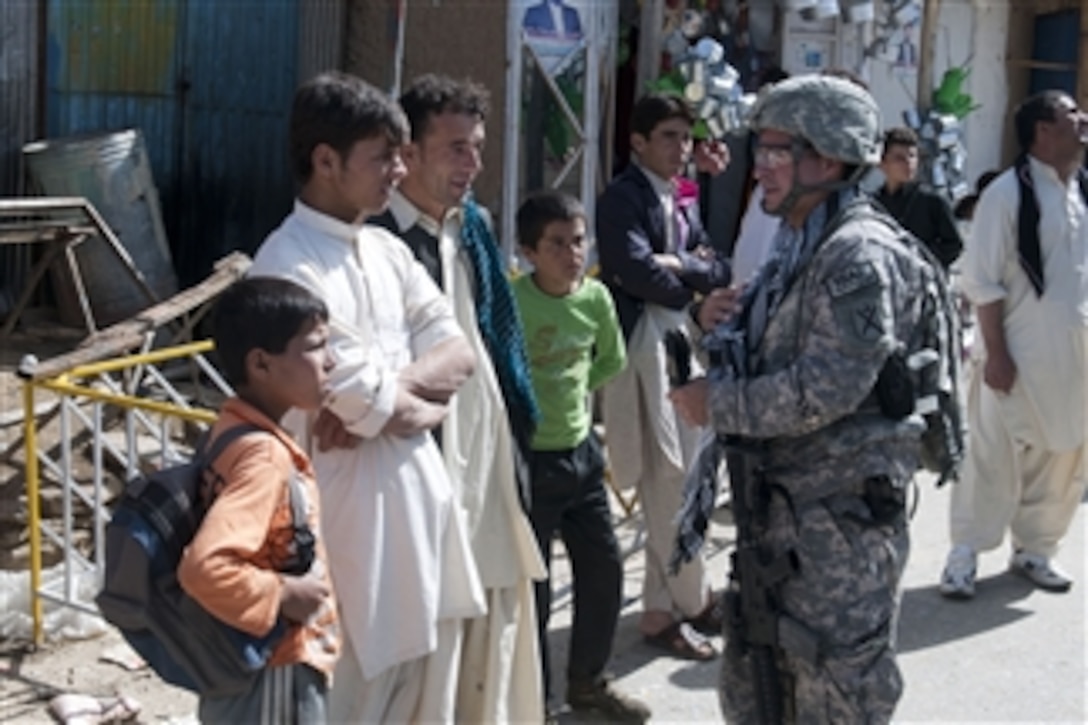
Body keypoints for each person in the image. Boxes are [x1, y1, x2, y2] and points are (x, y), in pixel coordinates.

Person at [669, 74, 929, 721]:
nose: (760, 168)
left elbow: (828, 386)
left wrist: (719, 402)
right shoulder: (801, 244)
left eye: (776, 150)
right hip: (784, 517)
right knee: (762, 692)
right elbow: (779, 355)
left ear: (828, 157)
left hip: (837, 532)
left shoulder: (855, 255)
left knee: (835, 694)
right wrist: (717, 325)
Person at [248, 71, 487, 722]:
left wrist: (390, 401)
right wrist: (404, 403)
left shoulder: (385, 249)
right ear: (325, 161)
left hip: (418, 520)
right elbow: (365, 399)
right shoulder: (285, 268)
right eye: (383, 156)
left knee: (419, 699)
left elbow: (460, 352)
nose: (398, 169)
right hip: (343, 539)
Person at [368, 73, 548, 723]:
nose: (473, 164)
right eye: (456, 148)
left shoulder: (470, 227)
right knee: (418, 648)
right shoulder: (376, 242)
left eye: (477, 147)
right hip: (414, 473)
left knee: (489, 624)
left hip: (482, 461)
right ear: (406, 154)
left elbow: (496, 338)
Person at [596, 92, 732, 661]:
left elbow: (716, 263)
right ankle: (693, 600)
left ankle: (658, 611)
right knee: (667, 475)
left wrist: (680, 265)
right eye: (669, 137)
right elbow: (630, 266)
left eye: (685, 137)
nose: (681, 149)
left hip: (679, 342)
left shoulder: (678, 195)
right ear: (638, 143)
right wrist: (688, 282)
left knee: (679, 472)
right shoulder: (623, 197)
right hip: (644, 347)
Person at [939, 90, 1088, 599]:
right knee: (991, 455)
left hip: (1073, 357)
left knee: (1064, 453)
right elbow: (982, 281)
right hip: (1015, 355)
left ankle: (1036, 549)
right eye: (1072, 115)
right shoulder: (1006, 195)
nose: (1083, 120)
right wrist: (996, 353)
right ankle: (964, 554)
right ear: (1043, 132)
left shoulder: (1081, 191)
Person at [511, 191, 650, 722]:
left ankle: (588, 682)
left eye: (578, 240)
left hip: (583, 457)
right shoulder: (513, 303)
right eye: (556, 244)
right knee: (536, 590)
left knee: (604, 572)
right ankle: (536, 699)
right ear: (528, 251)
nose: (572, 254)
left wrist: (570, 403)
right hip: (530, 461)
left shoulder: (595, 299)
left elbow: (608, 360)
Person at [178, 276, 340, 723]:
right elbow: (205, 568)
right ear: (261, 365)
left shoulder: (232, 428)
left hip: (244, 665)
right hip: (273, 671)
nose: (331, 361)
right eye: (315, 347)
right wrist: (285, 592)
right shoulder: (264, 456)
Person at [874, 126, 964, 268]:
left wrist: (920, 260)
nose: (908, 163)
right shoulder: (873, 204)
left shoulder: (933, 201)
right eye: (899, 158)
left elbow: (953, 245)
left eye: (912, 156)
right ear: (882, 163)